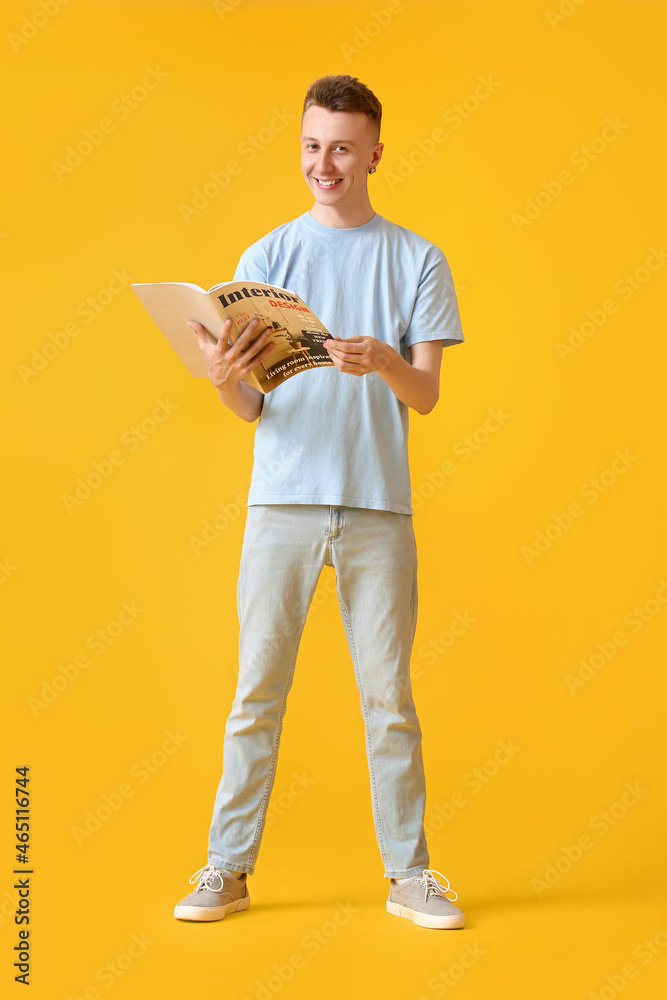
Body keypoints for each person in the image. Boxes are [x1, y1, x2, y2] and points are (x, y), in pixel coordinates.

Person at [175, 74, 465, 930]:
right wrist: (225, 381)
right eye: (311, 146)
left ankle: (409, 875)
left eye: (341, 147)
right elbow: (250, 408)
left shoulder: (417, 258)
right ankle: (225, 870)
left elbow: (427, 396)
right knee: (255, 695)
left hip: (378, 506)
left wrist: (381, 361)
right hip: (283, 504)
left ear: (373, 152)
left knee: (389, 702)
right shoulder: (265, 259)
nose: (323, 163)